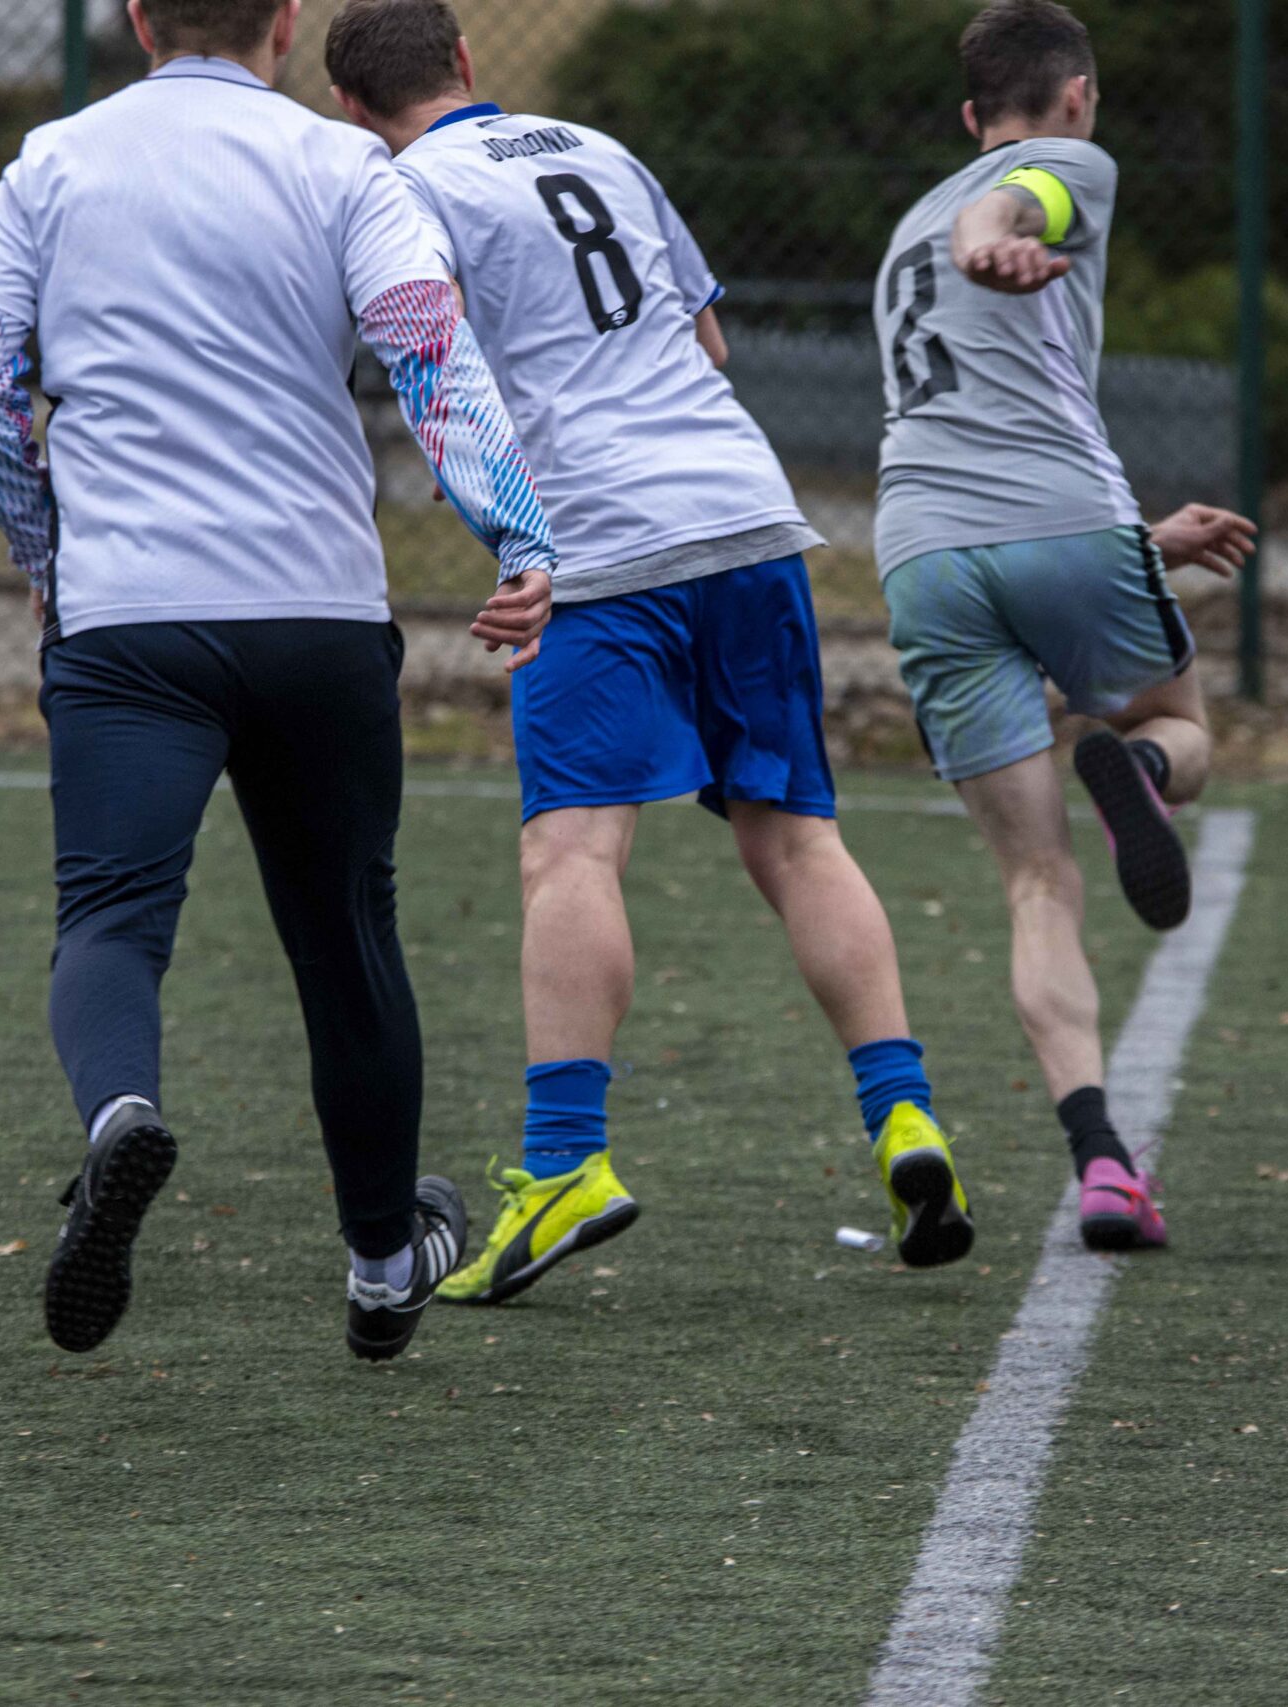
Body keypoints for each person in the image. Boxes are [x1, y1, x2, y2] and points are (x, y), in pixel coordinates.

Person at [0, 0, 560, 1360]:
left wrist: (44, 547)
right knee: (347, 938)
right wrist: (517, 534)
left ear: (137, 19)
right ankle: (384, 1265)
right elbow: (429, 348)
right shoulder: (344, 164)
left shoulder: (54, 161)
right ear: (284, 19)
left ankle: (121, 1117)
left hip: (128, 617)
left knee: (110, 917)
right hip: (316, 610)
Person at [323, 0, 974, 1305]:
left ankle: (566, 1162)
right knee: (799, 839)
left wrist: (501, 517)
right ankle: (905, 1115)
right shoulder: (598, 149)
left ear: (350, 108)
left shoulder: (399, 191)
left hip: (600, 543)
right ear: (466, 61)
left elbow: (433, 359)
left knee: (572, 851)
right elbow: (705, 339)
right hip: (744, 510)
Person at [871, 0, 1257, 1250]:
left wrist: (1147, 538)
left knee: (1036, 881)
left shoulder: (903, 230)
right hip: (1061, 521)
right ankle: (1138, 769)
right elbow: (1012, 206)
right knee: (1176, 723)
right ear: (1075, 94)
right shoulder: (1066, 163)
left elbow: (973, 417)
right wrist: (995, 237)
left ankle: (1101, 1163)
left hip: (923, 553)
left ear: (966, 112)